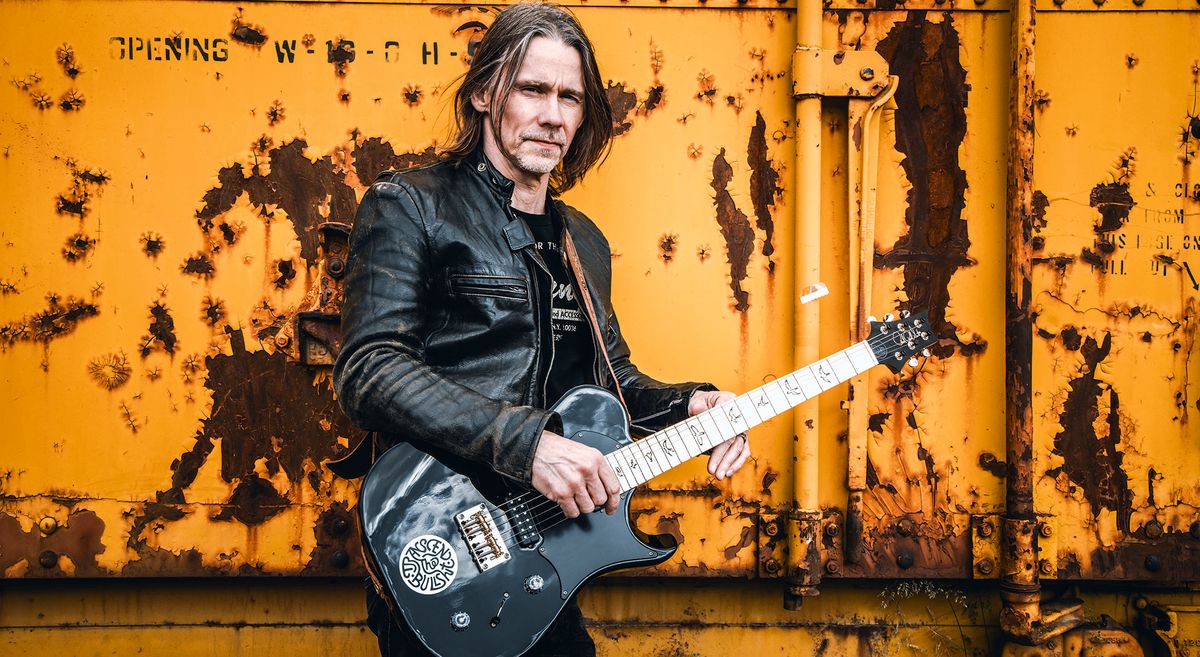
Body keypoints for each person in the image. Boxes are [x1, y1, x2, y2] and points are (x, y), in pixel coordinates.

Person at [332, 3, 751, 655]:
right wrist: (528, 445)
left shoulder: (581, 239)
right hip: (442, 539)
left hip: (541, 563)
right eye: (533, 89)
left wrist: (692, 404)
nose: (553, 114)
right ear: (482, 93)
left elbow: (615, 385)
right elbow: (369, 370)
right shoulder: (410, 204)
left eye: (570, 97)